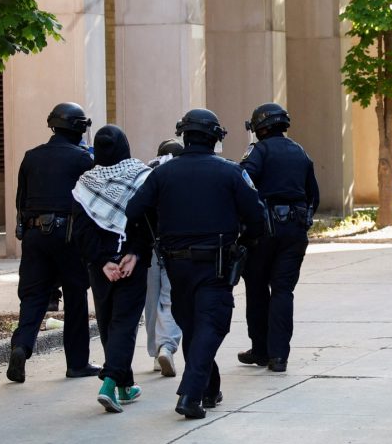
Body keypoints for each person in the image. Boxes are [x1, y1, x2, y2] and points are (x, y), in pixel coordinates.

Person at [125, 108, 269, 419]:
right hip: (215, 264)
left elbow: (135, 210)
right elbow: (258, 218)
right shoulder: (231, 172)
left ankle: (208, 388)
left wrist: (154, 237)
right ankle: (190, 394)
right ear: (215, 137)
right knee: (210, 324)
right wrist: (244, 243)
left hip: (176, 266)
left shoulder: (161, 174)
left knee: (193, 327)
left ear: (184, 135)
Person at [7, 102, 98, 383]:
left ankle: (21, 346)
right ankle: (77, 362)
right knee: (75, 297)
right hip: (69, 235)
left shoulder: (31, 156)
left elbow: (21, 199)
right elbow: (90, 203)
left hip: (35, 234)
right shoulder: (83, 159)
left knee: (33, 296)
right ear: (80, 127)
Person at [71, 125, 152, 413]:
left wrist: (101, 261)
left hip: (100, 267)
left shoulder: (86, 184)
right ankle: (109, 382)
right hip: (131, 263)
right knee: (125, 324)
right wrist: (135, 253)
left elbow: (80, 229)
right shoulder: (141, 176)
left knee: (107, 322)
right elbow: (147, 220)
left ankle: (123, 385)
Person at [236, 103, 320, 373]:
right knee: (283, 291)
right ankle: (279, 356)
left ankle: (260, 350)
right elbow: (313, 196)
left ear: (259, 127)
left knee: (258, 288)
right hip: (295, 230)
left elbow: (244, 182)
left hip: (263, 231)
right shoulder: (300, 151)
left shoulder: (258, 151)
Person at [144, 139, 185, 377]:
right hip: (175, 247)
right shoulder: (182, 179)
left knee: (151, 302)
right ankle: (166, 346)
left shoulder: (148, 175)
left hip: (149, 247)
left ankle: (156, 354)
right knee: (170, 300)